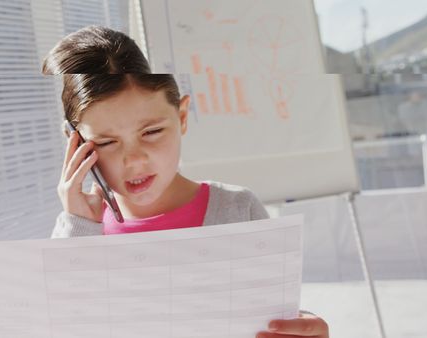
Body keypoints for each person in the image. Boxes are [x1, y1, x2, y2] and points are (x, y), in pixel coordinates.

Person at [45, 25, 329, 338]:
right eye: (107, 142)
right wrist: (76, 227)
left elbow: (276, 319)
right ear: (74, 143)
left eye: (151, 132)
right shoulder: (79, 233)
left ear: (181, 117)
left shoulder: (237, 210)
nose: (135, 160)